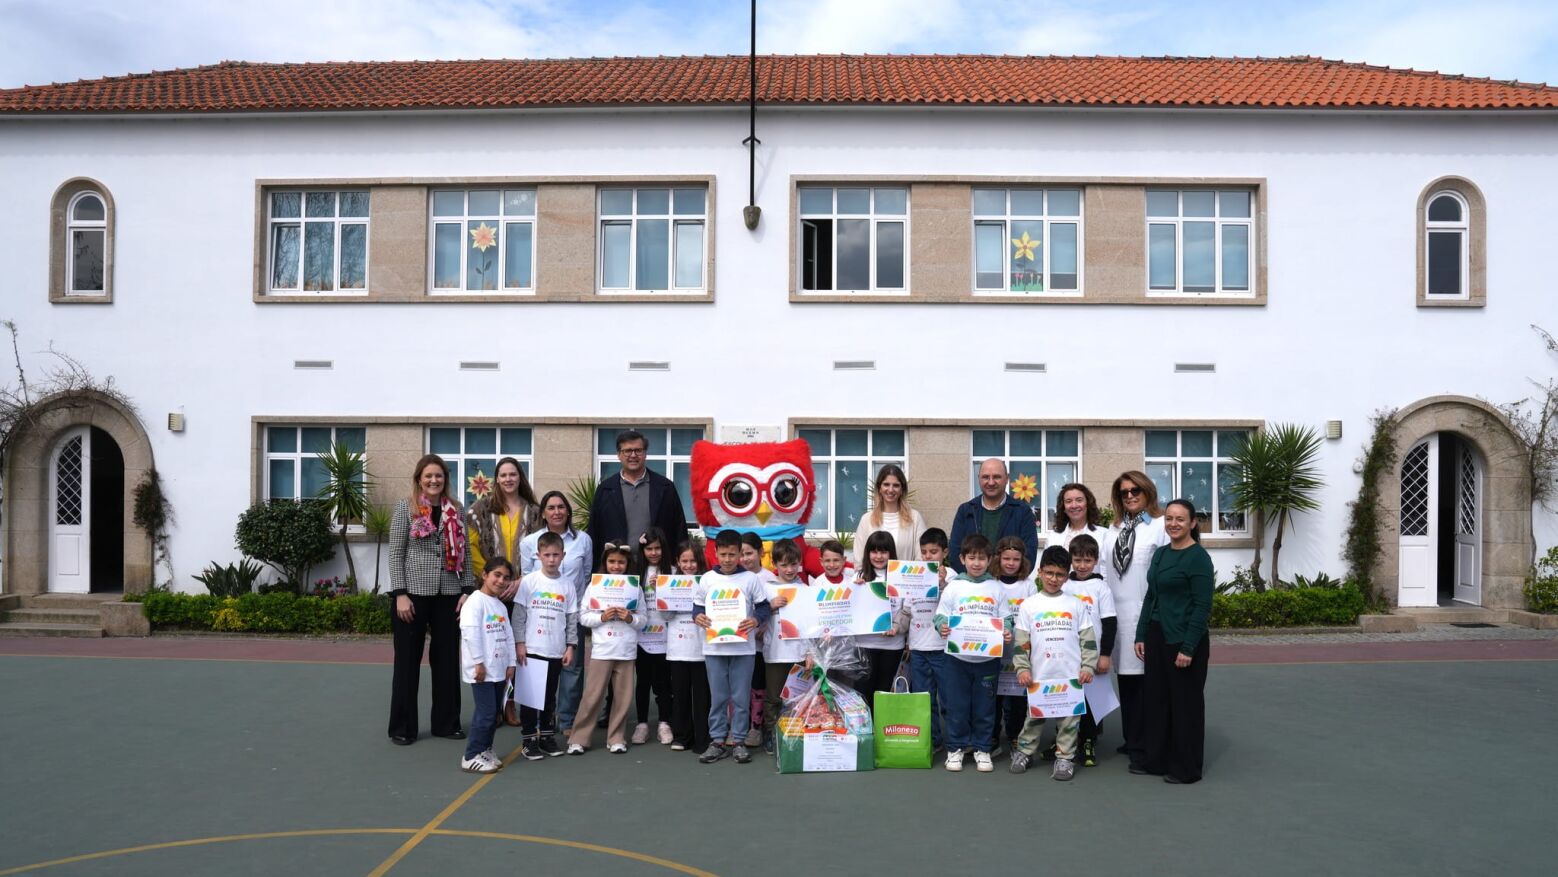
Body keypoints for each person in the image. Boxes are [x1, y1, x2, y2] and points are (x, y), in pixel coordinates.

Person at [388, 454, 475, 746]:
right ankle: (402, 727)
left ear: (445, 479)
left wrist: (467, 590)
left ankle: (446, 723)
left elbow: (468, 553)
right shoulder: (405, 508)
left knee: (448, 660)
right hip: (412, 594)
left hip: (449, 594)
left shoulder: (457, 510)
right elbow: (395, 553)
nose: (434, 481)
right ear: (419, 479)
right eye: (428, 476)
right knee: (407, 662)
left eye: (439, 476)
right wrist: (399, 593)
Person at [1133, 499, 1214, 785]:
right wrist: (1141, 633)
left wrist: (1188, 647)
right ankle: (1156, 760)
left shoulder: (1198, 558)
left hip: (1183, 640)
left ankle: (1186, 768)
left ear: (1193, 523)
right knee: (1156, 702)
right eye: (1169, 518)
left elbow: (1202, 606)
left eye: (1180, 519)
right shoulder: (1161, 554)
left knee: (1185, 706)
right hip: (1156, 636)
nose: (1173, 524)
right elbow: (1151, 596)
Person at [1010, 546, 1098, 782]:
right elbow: (1021, 643)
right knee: (1034, 718)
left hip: (1070, 678)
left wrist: (1088, 667)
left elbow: (1088, 640)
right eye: (1049, 573)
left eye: (1059, 574)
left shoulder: (1076, 604)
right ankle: (1025, 751)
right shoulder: (1029, 605)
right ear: (1039, 572)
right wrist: (1023, 668)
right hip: (1039, 677)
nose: (1053, 579)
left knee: (1069, 722)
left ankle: (1065, 757)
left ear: (1067, 576)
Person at [1101, 471, 1168, 772]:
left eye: (1135, 490)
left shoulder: (1160, 528)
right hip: (1116, 617)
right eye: (1124, 492)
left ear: (1148, 492)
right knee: (1126, 682)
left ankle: (1146, 746)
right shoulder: (1112, 530)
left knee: (1146, 685)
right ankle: (1132, 738)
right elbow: (1104, 573)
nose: (1129, 496)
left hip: (1145, 616)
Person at [693, 530, 770, 765]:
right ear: (715, 553)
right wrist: (699, 617)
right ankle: (717, 741)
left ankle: (738, 741)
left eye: (732, 554)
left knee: (739, 696)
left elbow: (764, 607)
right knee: (718, 697)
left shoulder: (750, 579)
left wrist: (756, 620)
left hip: (743, 649)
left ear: (739, 554)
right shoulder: (706, 579)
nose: (727, 559)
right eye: (723, 554)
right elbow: (696, 608)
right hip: (714, 649)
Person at [520, 491, 593, 735]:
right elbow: (527, 578)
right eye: (551, 507)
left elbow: (586, 575)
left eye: (561, 506)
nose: (557, 511)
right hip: (540, 616)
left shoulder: (583, 540)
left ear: (568, 511)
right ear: (543, 513)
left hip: (572, 612)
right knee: (540, 671)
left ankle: (567, 721)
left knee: (572, 668)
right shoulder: (530, 541)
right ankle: (537, 722)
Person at [932, 534, 1004, 773]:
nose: (976, 563)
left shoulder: (995, 587)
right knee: (957, 706)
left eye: (981, 558)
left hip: (987, 660)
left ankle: (983, 748)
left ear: (990, 560)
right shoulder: (954, 587)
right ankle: (956, 748)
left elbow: (1006, 619)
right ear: (962, 559)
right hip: (956, 659)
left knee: (985, 707)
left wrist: (1007, 631)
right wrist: (942, 625)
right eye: (971, 558)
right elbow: (941, 615)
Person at [566, 543, 642, 755]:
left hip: (626, 651)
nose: (616, 566)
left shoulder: (635, 587)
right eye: (612, 562)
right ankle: (579, 738)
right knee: (592, 696)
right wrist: (601, 617)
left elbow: (642, 619)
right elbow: (583, 616)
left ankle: (616, 737)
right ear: (605, 563)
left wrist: (631, 618)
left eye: (621, 562)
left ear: (627, 564)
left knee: (623, 697)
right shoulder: (595, 586)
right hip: (602, 650)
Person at [511, 530, 578, 760]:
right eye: (547, 554)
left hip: (555, 649)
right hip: (532, 650)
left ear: (563, 555)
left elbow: (571, 619)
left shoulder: (568, 585)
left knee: (549, 697)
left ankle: (547, 737)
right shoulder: (529, 582)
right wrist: (520, 643)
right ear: (538, 555)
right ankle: (529, 739)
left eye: (556, 555)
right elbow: (519, 616)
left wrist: (571, 646)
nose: (551, 559)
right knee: (531, 698)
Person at [588, 429, 688, 569]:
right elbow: (594, 532)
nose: (633, 455)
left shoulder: (665, 487)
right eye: (627, 451)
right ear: (619, 455)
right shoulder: (605, 490)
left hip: (656, 567)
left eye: (638, 450)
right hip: (618, 568)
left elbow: (679, 529)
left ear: (645, 453)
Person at [458, 559, 517, 773]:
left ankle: (485, 749)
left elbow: (508, 636)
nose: (501, 581)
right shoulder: (475, 602)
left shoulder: (500, 605)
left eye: (506, 577)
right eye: (497, 575)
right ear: (484, 575)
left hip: (499, 670)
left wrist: (510, 664)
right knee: (486, 713)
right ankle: (471, 754)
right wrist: (478, 663)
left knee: (494, 714)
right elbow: (471, 634)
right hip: (482, 671)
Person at [1063, 533, 1116, 767]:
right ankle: (1066, 742)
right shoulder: (1064, 584)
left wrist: (1104, 655)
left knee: (1090, 703)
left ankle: (1088, 741)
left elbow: (1110, 623)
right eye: (1077, 560)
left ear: (1095, 561)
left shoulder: (1101, 587)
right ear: (1071, 560)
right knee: (1069, 700)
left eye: (1087, 560)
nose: (1082, 565)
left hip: (1092, 657)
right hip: (1066, 655)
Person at [759, 539, 810, 755]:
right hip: (775, 653)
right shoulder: (766, 588)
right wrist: (770, 607)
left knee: (799, 697)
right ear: (774, 564)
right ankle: (771, 735)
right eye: (784, 565)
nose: (789, 570)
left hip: (799, 653)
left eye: (794, 564)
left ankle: (797, 734)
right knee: (773, 698)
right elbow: (756, 617)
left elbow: (811, 625)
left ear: (800, 564)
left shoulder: (806, 589)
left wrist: (810, 653)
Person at [948, 459, 1039, 573]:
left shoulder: (1022, 512)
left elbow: (1029, 554)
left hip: (1008, 586)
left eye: (996, 477)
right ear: (979, 478)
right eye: (986, 477)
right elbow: (955, 552)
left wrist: (1006, 581)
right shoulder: (966, 510)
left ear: (1007, 478)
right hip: (972, 586)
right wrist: (974, 580)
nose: (991, 482)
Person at [908, 528, 953, 751]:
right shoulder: (912, 574)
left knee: (948, 699)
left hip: (943, 648)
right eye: (924, 552)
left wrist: (942, 583)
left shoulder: (953, 576)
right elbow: (907, 609)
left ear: (945, 552)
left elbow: (954, 607)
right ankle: (932, 740)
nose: (928, 557)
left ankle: (955, 741)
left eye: (933, 552)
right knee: (923, 699)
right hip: (917, 647)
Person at [990, 535, 1034, 758]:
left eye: (1015, 559)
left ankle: (1016, 735)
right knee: (994, 696)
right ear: (998, 558)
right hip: (994, 653)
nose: (1010, 563)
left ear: (1022, 560)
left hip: (1019, 652)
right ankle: (993, 736)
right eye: (1006, 558)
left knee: (1018, 697)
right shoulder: (991, 583)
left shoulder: (1028, 586)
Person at [467, 456, 543, 585]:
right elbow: (470, 547)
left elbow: (542, 550)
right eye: (503, 475)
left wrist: (522, 580)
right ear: (497, 479)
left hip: (526, 587)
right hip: (489, 588)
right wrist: (492, 577)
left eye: (513, 474)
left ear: (520, 477)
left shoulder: (536, 513)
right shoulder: (479, 510)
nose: (508, 479)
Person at [665, 542, 711, 753]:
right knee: (680, 693)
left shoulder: (708, 581)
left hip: (703, 648)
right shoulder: (669, 582)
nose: (689, 565)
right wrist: (665, 596)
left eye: (693, 560)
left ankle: (703, 738)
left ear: (699, 560)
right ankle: (682, 736)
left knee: (702, 696)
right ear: (677, 561)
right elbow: (665, 616)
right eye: (684, 560)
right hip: (678, 647)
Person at [854, 531, 912, 695]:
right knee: (863, 692)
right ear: (867, 553)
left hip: (893, 645)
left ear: (891, 553)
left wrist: (896, 627)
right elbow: (850, 610)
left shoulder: (901, 576)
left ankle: (883, 722)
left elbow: (906, 608)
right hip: (864, 645)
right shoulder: (859, 576)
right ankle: (866, 722)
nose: (878, 556)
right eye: (874, 551)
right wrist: (855, 591)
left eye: (883, 551)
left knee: (885, 692)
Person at [631, 528, 674, 747]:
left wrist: (663, 591)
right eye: (649, 548)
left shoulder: (673, 571)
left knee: (664, 683)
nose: (654, 552)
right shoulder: (635, 573)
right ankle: (642, 724)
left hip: (666, 637)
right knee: (643, 682)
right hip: (641, 637)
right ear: (643, 549)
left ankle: (665, 723)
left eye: (658, 548)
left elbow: (676, 606)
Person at [738, 533, 776, 748]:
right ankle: (738, 726)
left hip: (762, 646)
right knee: (741, 686)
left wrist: (765, 625)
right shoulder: (734, 577)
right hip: (739, 644)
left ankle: (756, 727)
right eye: (741, 554)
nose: (745, 558)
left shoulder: (770, 578)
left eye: (749, 553)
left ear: (761, 553)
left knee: (758, 686)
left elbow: (779, 610)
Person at [853, 464, 927, 566]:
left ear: (902, 490)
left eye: (896, 485)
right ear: (879, 488)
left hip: (906, 580)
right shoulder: (866, 519)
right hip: (873, 581)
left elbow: (922, 556)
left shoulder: (915, 518)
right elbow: (859, 558)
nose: (891, 490)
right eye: (886, 484)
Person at [1050, 483, 1107, 554]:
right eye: (1068, 501)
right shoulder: (1052, 537)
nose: (1074, 505)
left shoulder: (1104, 535)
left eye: (1079, 500)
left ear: (1088, 504)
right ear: (1063, 507)